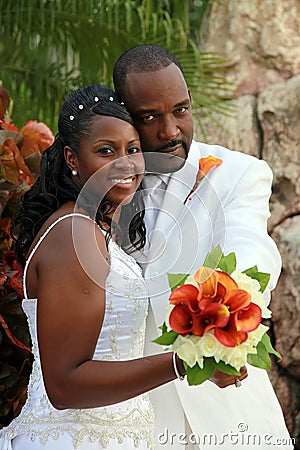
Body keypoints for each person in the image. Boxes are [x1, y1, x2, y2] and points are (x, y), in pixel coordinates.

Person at [0, 83, 235, 450]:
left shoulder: (94, 230)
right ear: (72, 158)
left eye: (133, 150)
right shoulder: (72, 233)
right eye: (106, 151)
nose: (125, 164)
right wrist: (185, 362)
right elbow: (64, 385)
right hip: (70, 440)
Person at [113, 45, 294, 449]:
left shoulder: (238, 174)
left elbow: (252, 252)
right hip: (137, 422)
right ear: (125, 118)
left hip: (231, 417)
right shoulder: (102, 188)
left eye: (180, 110)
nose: (171, 130)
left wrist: (226, 322)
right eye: (150, 117)